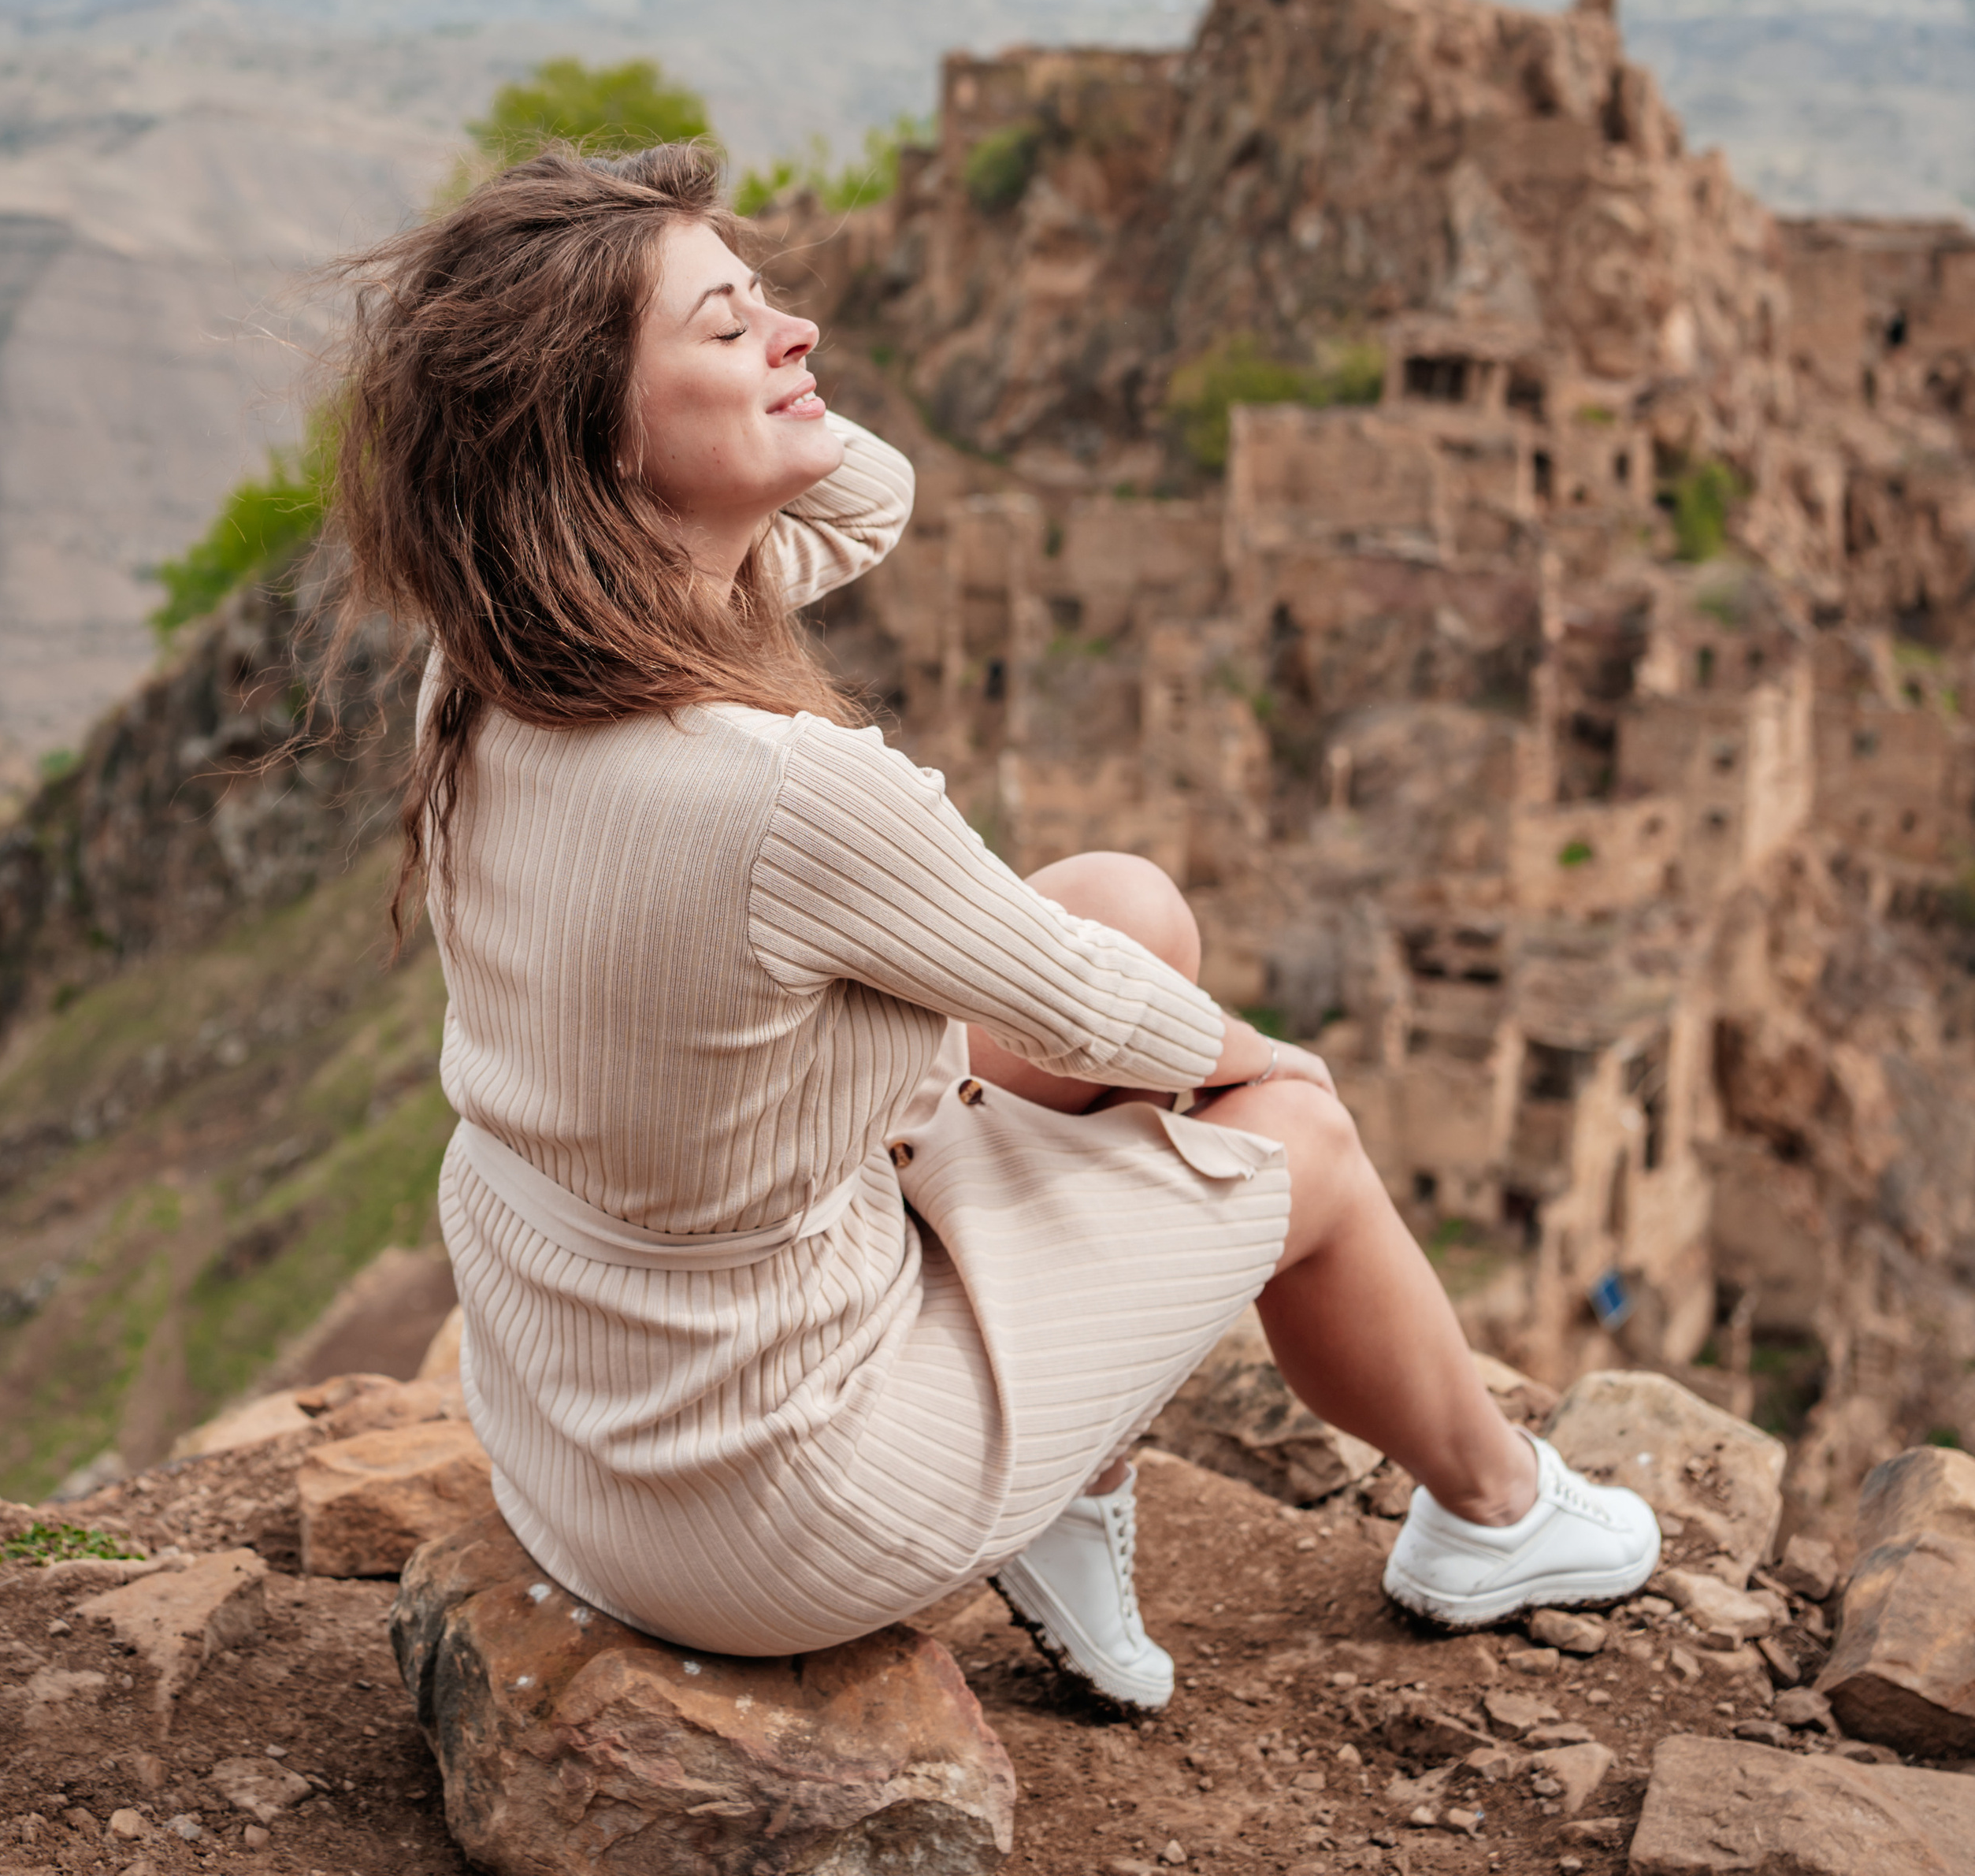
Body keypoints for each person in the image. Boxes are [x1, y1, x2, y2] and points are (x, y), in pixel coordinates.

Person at [326, 142, 1658, 1711]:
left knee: (1122, 906)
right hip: (762, 1514)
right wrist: (1279, 1075)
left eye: (773, 306)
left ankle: (1062, 1485)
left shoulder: (498, 667)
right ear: (600, 438)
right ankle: (1491, 1517)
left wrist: (734, 384)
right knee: (1291, 1133)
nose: (795, 337)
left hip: (575, 1431)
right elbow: (1110, 1031)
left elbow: (868, 499)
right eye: (724, 326)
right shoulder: (780, 791)